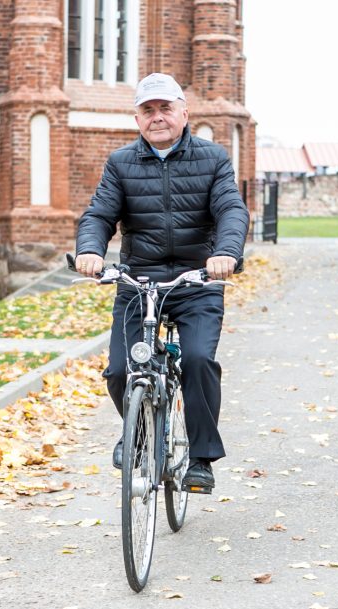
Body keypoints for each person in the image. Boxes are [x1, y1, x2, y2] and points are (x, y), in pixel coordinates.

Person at [74, 72, 249, 493]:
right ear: (137, 118)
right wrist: (90, 249)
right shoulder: (121, 163)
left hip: (197, 281)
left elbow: (231, 210)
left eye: (165, 108)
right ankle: (136, 431)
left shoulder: (213, 158)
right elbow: (99, 214)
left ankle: (202, 459)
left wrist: (225, 253)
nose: (157, 117)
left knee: (197, 361)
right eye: (148, 110)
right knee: (120, 370)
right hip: (138, 282)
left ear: (183, 113)